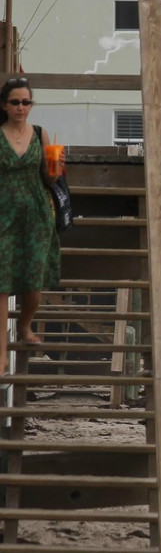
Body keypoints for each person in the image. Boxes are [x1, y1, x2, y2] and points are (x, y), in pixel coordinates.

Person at [0, 77, 62, 375]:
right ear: (4, 105)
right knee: (1, 286)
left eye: (26, 102)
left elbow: (49, 180)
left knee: (32, 284)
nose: (21, 107)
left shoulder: (40, 134)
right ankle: (0, 354)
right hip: (3, 213)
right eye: (15, 102)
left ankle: (25, 325)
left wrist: (56, 170)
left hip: (37, 214)